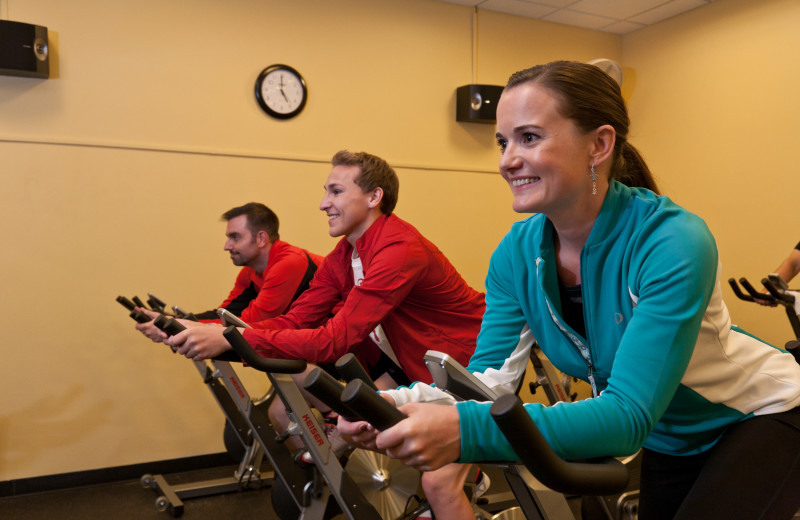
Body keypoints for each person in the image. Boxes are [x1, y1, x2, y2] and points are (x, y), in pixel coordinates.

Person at [343, 61, 800, 520]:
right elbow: (490, 382)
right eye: (503, 142)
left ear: (599, 145)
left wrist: (462, 431)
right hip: (671, 436)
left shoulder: (672, 240)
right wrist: (399, 403)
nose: (507, 160)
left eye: (529, 137)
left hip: (763, 414)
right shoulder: (516, 253)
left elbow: (625, 416)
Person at [164, 151, 486, 515]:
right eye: (325, 192)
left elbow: (333, 339)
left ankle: (468, 473)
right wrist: (213, 331)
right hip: (417, 367)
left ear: (373, 197)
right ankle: (458, 472)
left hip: (468, 369)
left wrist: (226, 340)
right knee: (352, 426)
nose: (323, 203)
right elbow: (297, 320)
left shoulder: (399, 248)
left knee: (437, 482)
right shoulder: (345, 253)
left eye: (335, 191)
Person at [135, 202, 324, 341]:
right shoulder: (249, 273)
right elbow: (226, 315)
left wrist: (180, 327)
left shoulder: (288, 263)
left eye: (235, 237)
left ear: (261, 238)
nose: (227, 246)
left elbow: (248, 325)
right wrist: (171, 321)